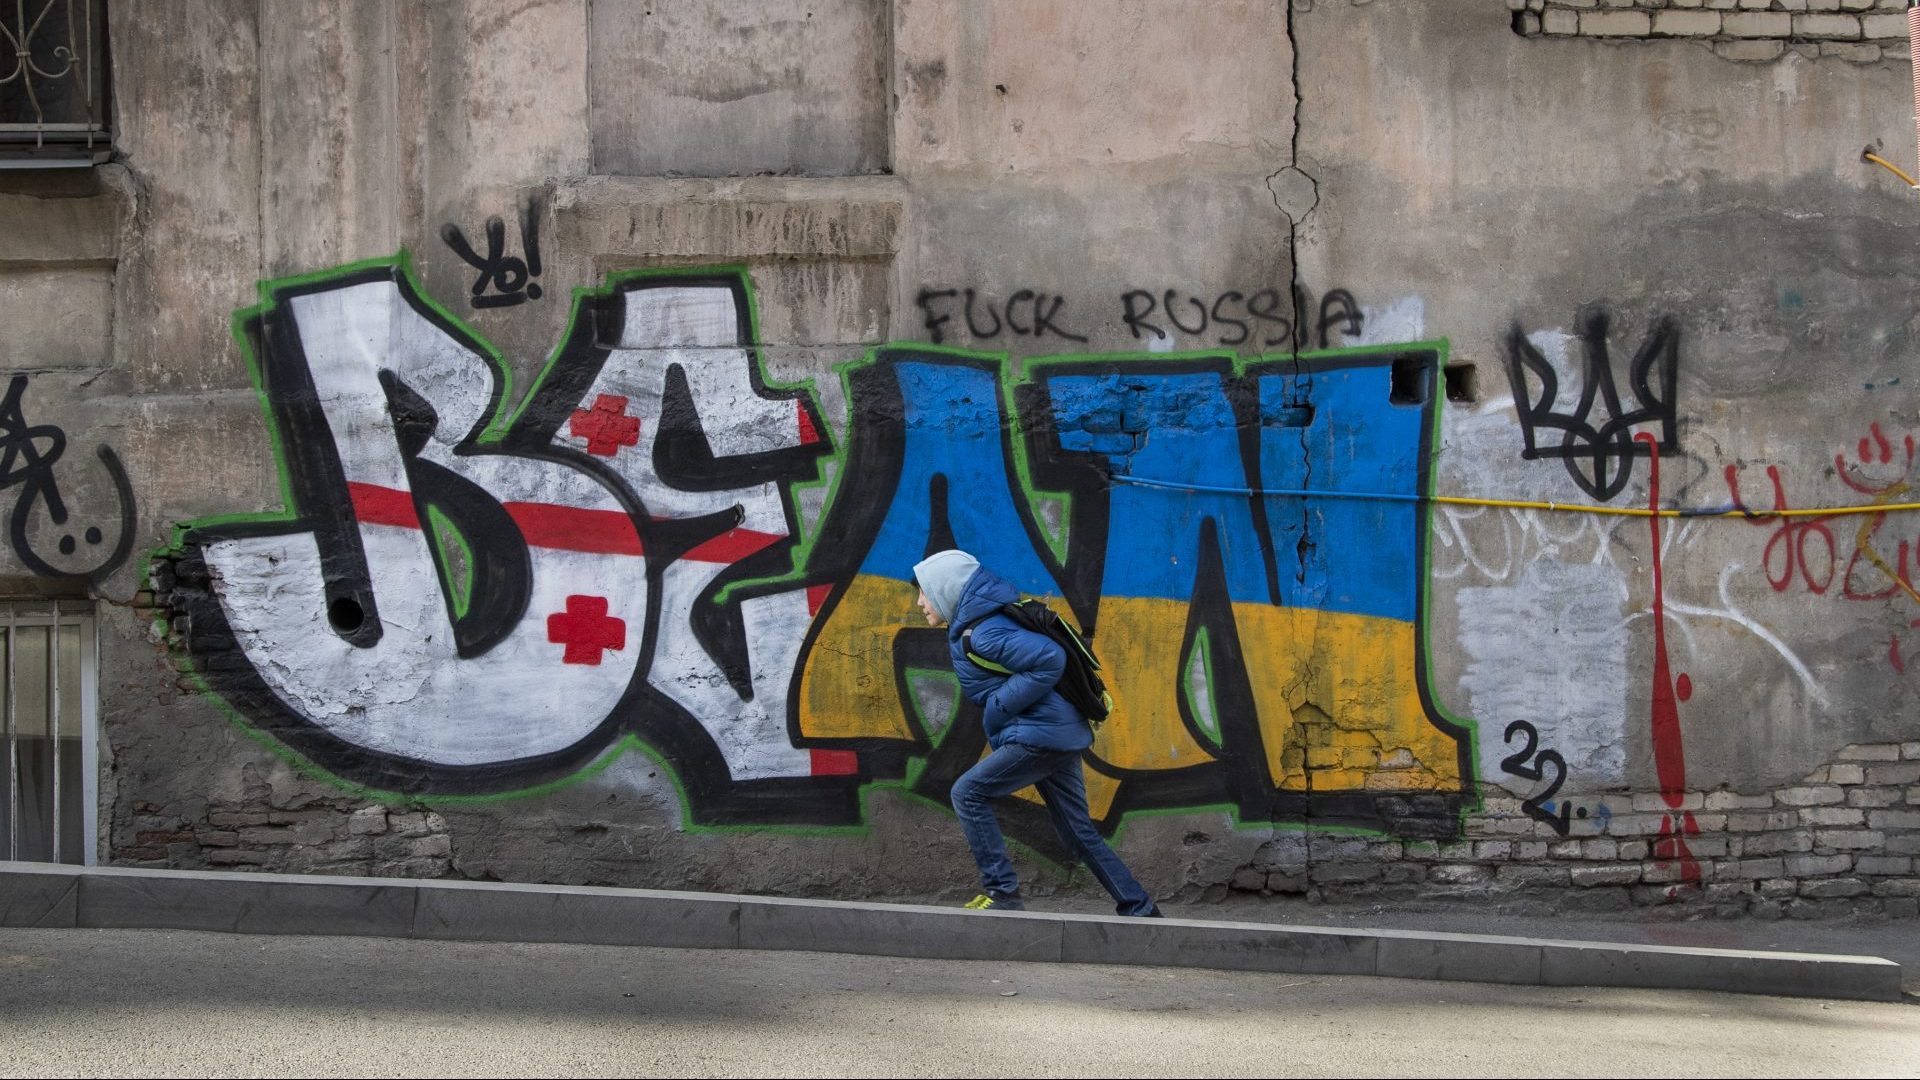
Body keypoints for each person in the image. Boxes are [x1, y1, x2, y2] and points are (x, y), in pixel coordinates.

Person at [911, 549, 1162, 917]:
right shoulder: (980, 624)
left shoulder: (983, 632)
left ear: (946, 589)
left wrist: (999, 707)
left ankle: (1002, 894)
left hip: (1040, 736)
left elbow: (1050, 660)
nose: (919, 602)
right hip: (1055, 734)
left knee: (967, 793)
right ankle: (1140, 908)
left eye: (924, 592)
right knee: (1078, 832)